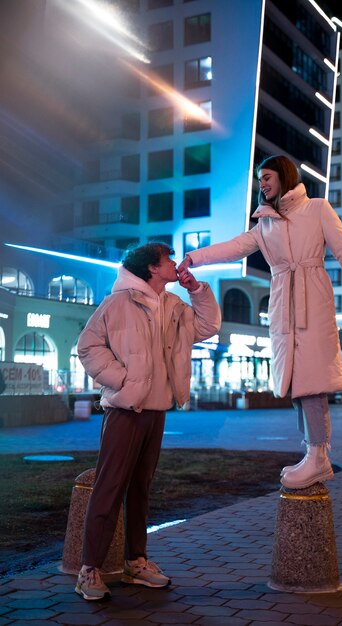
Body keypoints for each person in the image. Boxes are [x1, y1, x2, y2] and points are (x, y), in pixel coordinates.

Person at [178, 155, 342, 491]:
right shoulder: (265, 224)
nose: (263, 184)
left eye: (268, 177)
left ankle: (319, 455)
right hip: (282, 302)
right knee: (296, 382)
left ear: (284, 176)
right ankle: (311, 452)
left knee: (312, 380)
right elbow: (233, 248)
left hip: (312, 296)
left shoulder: (317, 209)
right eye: (260, 179)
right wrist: (194, 258)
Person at [75, 242, 221, 601]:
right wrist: (121, 379)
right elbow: (88, 346)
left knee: (141, 488)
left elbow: (207, 326)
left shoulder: (173, 305)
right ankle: (88, 570)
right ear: (153, 268)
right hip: (125, 410)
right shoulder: (119, 302)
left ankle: (135, 563)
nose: (175, 263)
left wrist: (197, 290)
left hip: (157, 410)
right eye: (168, 259)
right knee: (110, 487)